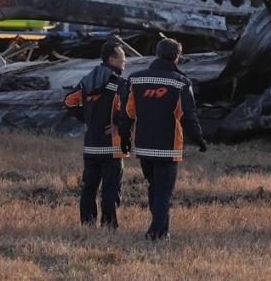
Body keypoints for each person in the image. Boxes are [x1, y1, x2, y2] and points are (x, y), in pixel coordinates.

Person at [118, 38, 207, 241]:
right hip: (168, 147)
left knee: (154, 188)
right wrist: (198, 139)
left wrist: (124, 137)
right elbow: (187, 115)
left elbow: (127, 113)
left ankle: (163, 232)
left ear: (157, 54)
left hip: (144, 145)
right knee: (164, 193)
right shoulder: (181, 82)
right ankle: (154, 232)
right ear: (177, 57)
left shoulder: (135, 79)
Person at [63, 40, 128, 228]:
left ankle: (87, 224)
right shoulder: (118, 83)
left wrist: (87, 118)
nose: (125, 61)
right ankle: (109, 226)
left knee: (89, 188)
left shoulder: (87, 81)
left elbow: (69, 101)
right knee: (111, 187)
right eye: (122, 57)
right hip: (111, 147)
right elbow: (130, 109)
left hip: (91, 145)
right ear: (112, 59)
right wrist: (117, 123)